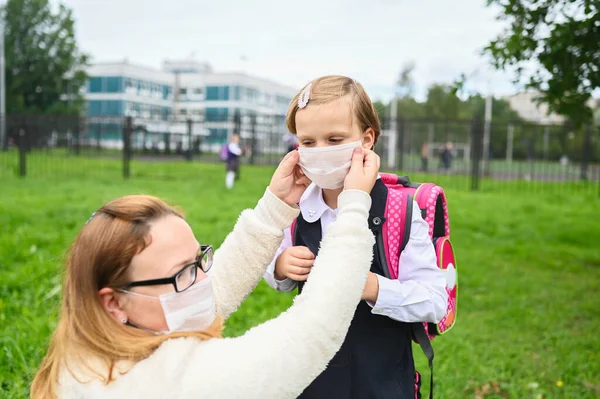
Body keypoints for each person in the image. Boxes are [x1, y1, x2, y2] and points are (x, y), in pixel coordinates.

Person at [30, 147, 381, 399]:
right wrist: (352, 210)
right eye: (182, 274)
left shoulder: (83, 357)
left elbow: (213, 288)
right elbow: (311, 334)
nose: (203, 280)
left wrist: (275, 208)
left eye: (200, 260)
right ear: (114, 304)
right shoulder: (174, 382)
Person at [263, 75, 448, 398]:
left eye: (334, 140)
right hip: (312, 377)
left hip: (382, 379)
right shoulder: (297, 206)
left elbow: (435, 301)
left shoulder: (399, 212)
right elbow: (268, 269)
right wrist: (280, 266)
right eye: (308, 142)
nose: (320, 151)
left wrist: (373, 287)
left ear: (366, 139)